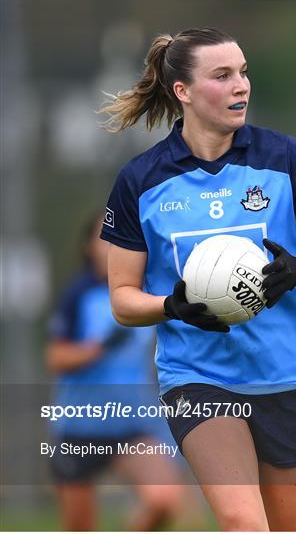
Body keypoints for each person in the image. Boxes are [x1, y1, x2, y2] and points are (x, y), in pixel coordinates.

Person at [98, 27, 296, 531]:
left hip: (287, 374)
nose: (240, 85)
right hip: (198, 378)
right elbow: (122, 300)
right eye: (222, 76)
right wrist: (170, 307)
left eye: (243, 72)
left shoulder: (287, 160)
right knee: (245, 524)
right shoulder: (141, 181)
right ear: (182, 91)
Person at [45, 213, 184, 531]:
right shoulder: (77, 295)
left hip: (132, 425)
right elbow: (55, 357)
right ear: (87, 247)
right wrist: (97, 348)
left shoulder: (145, 291)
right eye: (104, 238)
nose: (112, 245)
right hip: (80, 426)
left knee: (164, 500)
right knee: (80, 526)